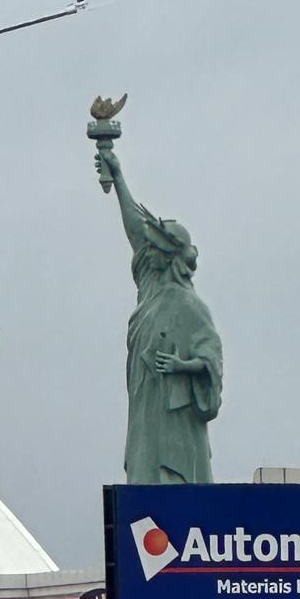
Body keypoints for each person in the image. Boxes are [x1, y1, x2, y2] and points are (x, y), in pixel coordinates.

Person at [96, 145, 223, 484]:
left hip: (176, 422)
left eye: (153, 249)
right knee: (144, 481)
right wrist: (119, 178)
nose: (146, 252)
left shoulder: (190, 306)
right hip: (145, 416)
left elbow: (212, 360)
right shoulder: (150, 291)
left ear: (167, 257)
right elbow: (137, 232)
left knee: (174, 491)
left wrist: (182, 367)